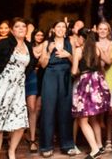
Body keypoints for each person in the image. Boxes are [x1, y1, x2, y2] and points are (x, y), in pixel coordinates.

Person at [0, 18, 35, 159]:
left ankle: (12, 151)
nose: (21, 28)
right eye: (17, 26)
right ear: (12, 30)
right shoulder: (4, 43)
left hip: (18, 88)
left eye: (24, 26)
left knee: (20, 123)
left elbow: (30, 66)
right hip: (1, 86)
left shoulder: (28, 45)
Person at [38, 20, 77, 156]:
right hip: (50, 76)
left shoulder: (70, 42)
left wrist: (69, 55)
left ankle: (67, 145)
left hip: (65, 76)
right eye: (58, 26)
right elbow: (42, 65)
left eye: (63, 27)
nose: (61, 29)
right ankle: (46, 146)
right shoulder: (47, 43)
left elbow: (75, 62)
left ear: (66, 30)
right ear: (53, 29)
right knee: (48, 110)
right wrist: (48, 52)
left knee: (65, 110)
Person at [71, 28, 111, 159]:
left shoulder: (79, 50)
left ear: (82, 38)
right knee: (94, 118)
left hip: (85, 84)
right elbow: (107, 61)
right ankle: (99, 145)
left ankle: (94, 150)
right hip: (97, 83)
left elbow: (74, 71)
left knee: (83, 121)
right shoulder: (97, 49)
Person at [96, 20, 112, 152]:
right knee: (98, 113)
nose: (103, 31)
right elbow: (98, 63)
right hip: (97, 79)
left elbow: (108, 62)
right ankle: (100, 141)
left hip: (110, 79)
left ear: (109, 31)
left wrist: (101, 52)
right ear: (97, 30)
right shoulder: (93, 44)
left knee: (110, 113)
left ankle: (109, 140)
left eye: (105, 29)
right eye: (100, 28)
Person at [25, 28, 46, 153]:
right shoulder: (27, 45)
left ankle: (32, 137)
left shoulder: (45, 45)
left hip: (39, 77)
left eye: (41, 35)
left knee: (34, 108)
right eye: (37, 34)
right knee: (25, 108)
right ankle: (21, 135)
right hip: (25, 77)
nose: (39, 36)